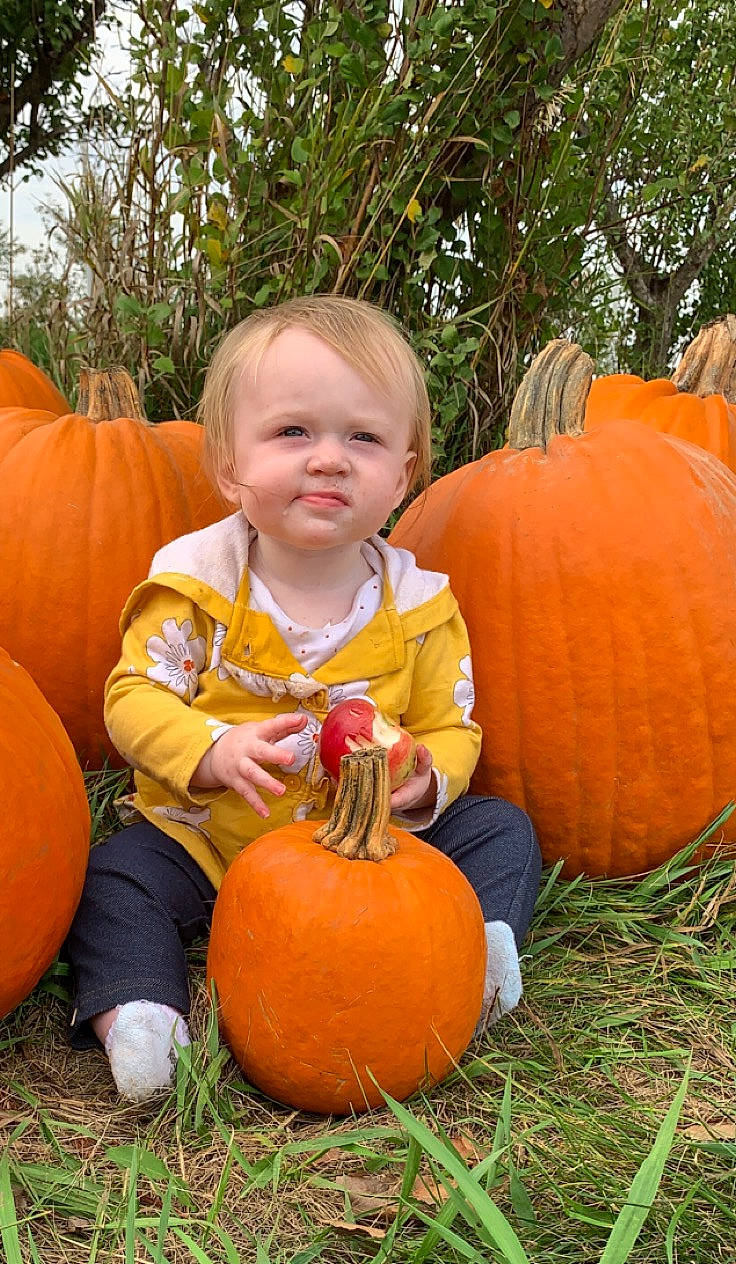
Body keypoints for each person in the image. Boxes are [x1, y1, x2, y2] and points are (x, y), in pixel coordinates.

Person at [66, 294, 542, 1102]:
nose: (329, 459)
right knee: (112, 878)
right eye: (293, 432)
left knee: (500, 829)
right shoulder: (199, 588)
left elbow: (453, 728)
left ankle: (481, 952)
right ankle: (142, 1013)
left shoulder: (421, 610)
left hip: (374, 855)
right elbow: (133, 696)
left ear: (405, 473)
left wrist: (425, 778)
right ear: (229, 463)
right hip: (209, 841)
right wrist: (211, 751)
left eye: (364, 437)